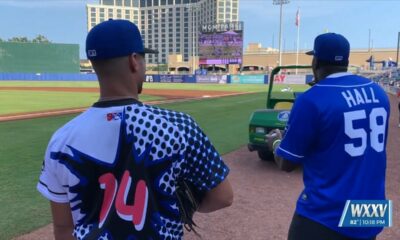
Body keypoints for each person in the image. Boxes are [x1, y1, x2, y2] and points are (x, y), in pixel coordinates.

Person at [37, 19, 233, 240]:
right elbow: (223, 196)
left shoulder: (61, 140)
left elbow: (63, 228)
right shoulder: (179, 126)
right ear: (134, 61)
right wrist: (177, 208)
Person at [266, 33, 390, 240]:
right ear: (347, 62)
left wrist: (276, 143)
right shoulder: (378, 92)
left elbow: (287, 163)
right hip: (373, 208)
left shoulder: (311, 99)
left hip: (327, 212)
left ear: (316, 62)